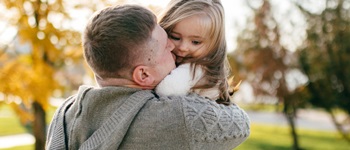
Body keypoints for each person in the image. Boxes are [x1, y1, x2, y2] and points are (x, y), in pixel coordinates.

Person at [46, 4, 250, 150]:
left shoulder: (65, 113)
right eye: (166, 44)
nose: (175, 47)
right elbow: (241, 125)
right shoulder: (178, 117)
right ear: (143, 74)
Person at [155, 0, 238, 105]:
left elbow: (166, 90)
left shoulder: (197, 68)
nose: (183, 47)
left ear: (214, 45)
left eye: (195, 42)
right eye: (175, 37)